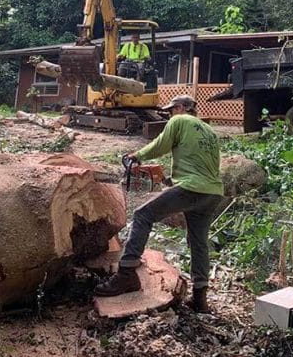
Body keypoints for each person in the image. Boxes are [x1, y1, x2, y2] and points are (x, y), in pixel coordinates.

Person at [93, 95, 224, 313]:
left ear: (180, 108)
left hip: (192, 187)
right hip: (212, 192)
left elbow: (161, 145)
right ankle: (200, 297)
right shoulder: (210, 131)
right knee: (199, 241)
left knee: (143, 214)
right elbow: (203, 163)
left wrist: (137, 155)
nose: (170, 114)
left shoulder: (179, 120)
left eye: (171, 110)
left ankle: (126, 274)